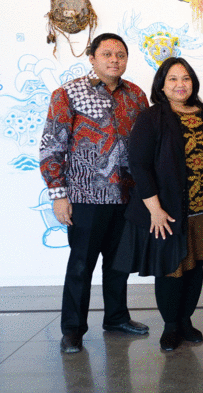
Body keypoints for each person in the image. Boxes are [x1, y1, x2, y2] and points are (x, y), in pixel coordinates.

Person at [39, 33, 150, 354]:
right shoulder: (68, 93)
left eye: (120, 54)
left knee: (118, 264)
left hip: (127, 197)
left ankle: (116, 318)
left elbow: (145, 146)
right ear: (92, 57)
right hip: (86, 198)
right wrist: (58, 195)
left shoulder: (136, 96)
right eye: (107, 54)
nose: (115, 59)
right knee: (81, 265)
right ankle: (72, 329)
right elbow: (51, 147)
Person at [116, 57, 203, 351]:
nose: (180, 84)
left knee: (195, 265)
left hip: (202, 208)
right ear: (162, 84)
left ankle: (186, 321)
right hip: (167, 211)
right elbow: (139, 163)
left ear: (193, 82)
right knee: (170, 268)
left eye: (185, 78)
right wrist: (155, 209)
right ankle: (171, 326)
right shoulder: (152, 116)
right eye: (172, 79)